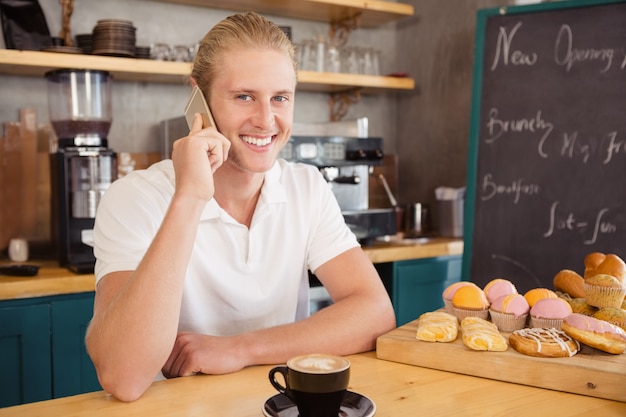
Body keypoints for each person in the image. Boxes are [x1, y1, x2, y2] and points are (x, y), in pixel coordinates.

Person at [85, 11, 396, 402]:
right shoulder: (135, 198)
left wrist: (239, 348)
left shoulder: (306, 187)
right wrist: (190, 197)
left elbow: (375, 313)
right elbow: (123, 377)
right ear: (198, 96)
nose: (266, 120)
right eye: (244, 96)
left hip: (281, 404)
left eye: (280, 98)